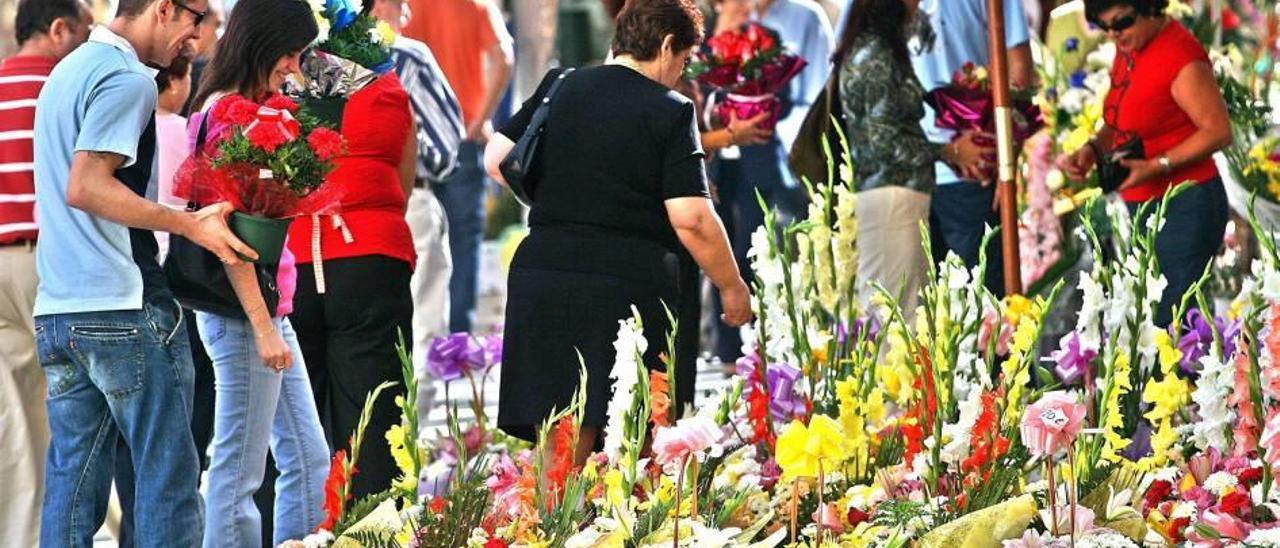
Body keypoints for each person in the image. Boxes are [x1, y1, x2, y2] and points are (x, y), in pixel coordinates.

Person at [485, 0, 752, 462]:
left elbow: (496, 158)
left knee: (560, 434)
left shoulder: (561, 84)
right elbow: (691, 216)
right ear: (667, 46)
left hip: (542, 272)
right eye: (684, 59)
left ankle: (551, 529)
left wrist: (556, 200)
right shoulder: (669, 110)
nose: (681, 71)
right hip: (621, 285)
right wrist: (732, 286)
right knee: (626, 438)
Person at [32, 0, 257, 545]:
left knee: (72, 489)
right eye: (196, 18)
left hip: (61, 310)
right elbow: (86, 186)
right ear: (162, 8)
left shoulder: (68, 70)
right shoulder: (128, 78)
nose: (199, 41)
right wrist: (187, 224)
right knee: (167, 485)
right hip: (122, 308)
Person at [186, 1, 332, 544]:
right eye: (290, 53)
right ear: (262, 44)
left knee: (306, 460)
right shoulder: (233, 115)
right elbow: (232, 236)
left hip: (260, 311)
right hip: (246, 314)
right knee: (239, 471)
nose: (294, 67)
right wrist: (264, 325)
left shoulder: (234, 107)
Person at [288, 6, 419, 499]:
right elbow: (401, 182)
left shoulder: (278, 86)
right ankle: (378, 521)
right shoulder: (387, 92)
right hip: (371, 260)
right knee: (377, 409)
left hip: (294, 262)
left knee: (297, 420)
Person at [1057, 0, 1231, 327]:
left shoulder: (1179, 55)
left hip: (1185, 207)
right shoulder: (1132, 49)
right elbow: (1121, 120)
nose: (1114, 34)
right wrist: (1093, 149)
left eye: (1122, 22)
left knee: (1173, 325)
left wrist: (1158, 165)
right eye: (1104, 26)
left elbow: (1219, 132)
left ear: (1150, 7)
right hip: (1145, 204)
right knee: (1150, 321)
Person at [835, 0, 991, 316]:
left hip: (898, 199)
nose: (919, 7)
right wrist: (948, 151)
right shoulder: (877, 55)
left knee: (904, 316)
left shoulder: (879, 49)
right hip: (889, 202)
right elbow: (884, 141)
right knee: (894, 319)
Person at [0, 2, 91, 544]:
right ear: (58, 30)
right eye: (80, 34)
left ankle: (21, 536)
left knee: (17, 422)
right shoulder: (66, 88)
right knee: (81, 403)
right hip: (51, 261)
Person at [708, 0, 833, 363]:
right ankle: (730, 349)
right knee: (721, 245)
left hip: (775, 153)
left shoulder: (803, 17)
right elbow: (702, 87)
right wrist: (725, 27)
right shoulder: (721, 18)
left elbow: (816, 87)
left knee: (770, 247)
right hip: (721, 153)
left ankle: (778, 345)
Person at [371, 0, 465, 430]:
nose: (405, 14)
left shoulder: (312, 58)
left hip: (333, 216)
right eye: (399, 4)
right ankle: (413, 443)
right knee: (422, 325)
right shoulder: (407, 57)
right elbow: (446, 149)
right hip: (407, 203)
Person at [906, 0, 1035, 298]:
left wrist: (1006, 154)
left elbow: (1019, 69)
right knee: (914, 310)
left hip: (972, 168)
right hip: (901, 170)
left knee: (984, 304)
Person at [404, 0, 514, 334]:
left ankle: (414, 337)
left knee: (413, 240)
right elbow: (504, 56)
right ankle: (456, 342)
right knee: (463, 242)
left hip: (412, 141)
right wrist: (480, 120)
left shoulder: (403, 5)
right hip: (462, 138)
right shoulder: (475, 4)